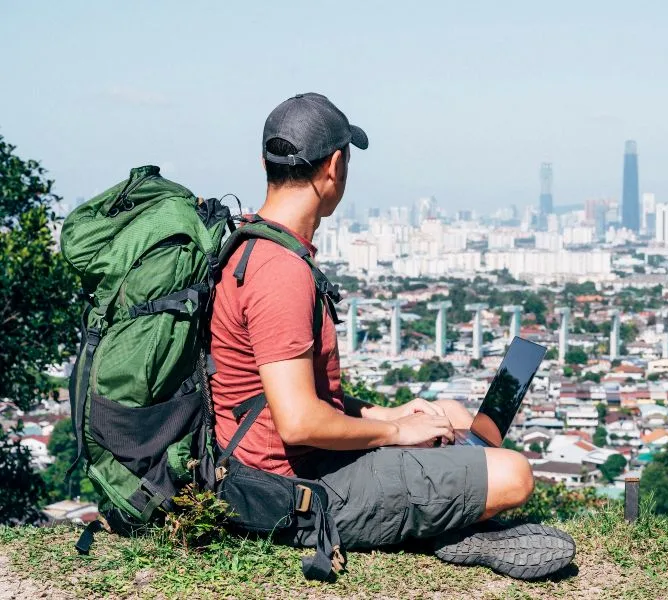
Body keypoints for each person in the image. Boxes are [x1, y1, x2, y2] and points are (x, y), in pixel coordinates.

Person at [209, 92, 574, 580]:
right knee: (514, 474)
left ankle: (445, 506)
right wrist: (398, 431)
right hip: (290, 491)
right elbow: (297, 423)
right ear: (335, 167)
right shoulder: (280, 271)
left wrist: (389, 413)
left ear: (266, 163)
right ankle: (448, 529)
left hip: (268, 467)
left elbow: (293, 399)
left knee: (453, 417)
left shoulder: (251, 244)